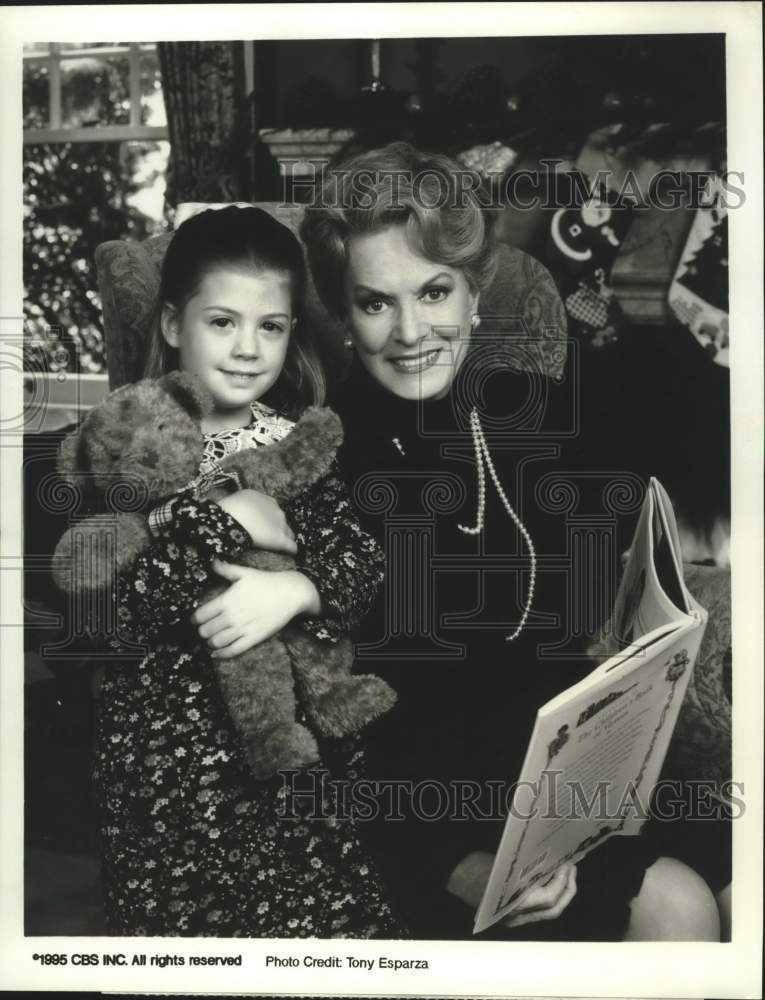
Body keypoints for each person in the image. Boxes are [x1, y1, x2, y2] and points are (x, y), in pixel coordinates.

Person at [294, 141, 730, 941]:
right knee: (681, 910)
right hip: (422, 824)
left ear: (472, 294)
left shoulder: (533, 409)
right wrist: (456, 865)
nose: (410, 331)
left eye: (433, 292)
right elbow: (318, 726)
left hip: (572, 787)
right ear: (340, 311)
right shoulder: (320, 463)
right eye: (374, 302)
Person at [88, 206, 404, 937]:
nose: (246, 349)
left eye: (270, 326)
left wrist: (299, 588)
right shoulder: (126, 442)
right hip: (164, 771)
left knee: (325, 936)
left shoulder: (299, 447)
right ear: (172, 324)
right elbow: (112, 610)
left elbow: (359, 565)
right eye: (222, 322)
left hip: (290, 753)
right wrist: (222, 520)